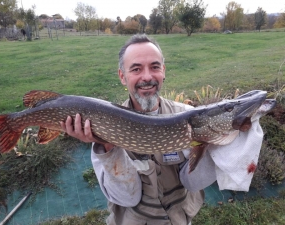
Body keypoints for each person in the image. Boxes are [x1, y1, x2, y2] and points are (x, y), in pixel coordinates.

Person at [60, 34, 261, 224]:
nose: (147, 77)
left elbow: (192, 183)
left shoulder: (188, 116)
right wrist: (108, 146)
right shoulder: (104, 125)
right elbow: (127, 198)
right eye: (136, 69)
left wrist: (217, 142)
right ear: (122, 76)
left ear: (163, 71)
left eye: (154, 67)